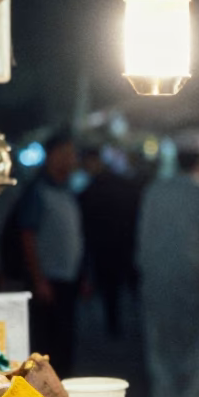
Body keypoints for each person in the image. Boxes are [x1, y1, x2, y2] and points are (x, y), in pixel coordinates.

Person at [136, 130, 199, 397]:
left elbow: (143, 237)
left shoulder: (155, 189)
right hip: (194, 275)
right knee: (196, 340)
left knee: (159, 338)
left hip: (157, 275)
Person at [17, 133, 84, 377]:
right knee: (46, 345)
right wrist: (39, 279)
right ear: (51, 157)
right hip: (48, 281)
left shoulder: (68, 191)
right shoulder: (38, 191)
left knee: (65, 342)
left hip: (68, 279)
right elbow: (27, 236)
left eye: (72, 155)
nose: (70, 160)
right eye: (65, 154)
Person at [78, 145, 140, 339]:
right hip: (123, 245)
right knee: (126, 288)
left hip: (106, 248)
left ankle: (115, 326)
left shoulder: (89, 191)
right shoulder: (121, 185)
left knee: (112, 290)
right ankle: (128, 325)